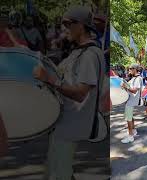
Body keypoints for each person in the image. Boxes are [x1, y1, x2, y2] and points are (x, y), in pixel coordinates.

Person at [33, 6, 105, 179]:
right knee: (55, 171)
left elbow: (81, 94)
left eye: (68, 24)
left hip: (72, 124)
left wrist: (50, 80)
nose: (64, 29)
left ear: (80, 25)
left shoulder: (89, 54)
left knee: (59, 173)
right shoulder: (79, 52)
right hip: (63, 122)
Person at [120, 64, 143, 144]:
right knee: (130, 116)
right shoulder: (134, 78)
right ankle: (133, 130)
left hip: (131, 101)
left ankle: (130, 136)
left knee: (128, 118)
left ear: (135, 69)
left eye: (131, 68)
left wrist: (126, 87)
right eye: (129, 68)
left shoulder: (138, 78)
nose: (129, 70)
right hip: (130, 100)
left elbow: (134, 90)